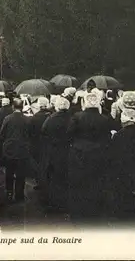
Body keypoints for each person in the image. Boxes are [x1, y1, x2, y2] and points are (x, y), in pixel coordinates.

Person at [66, 92, 112, 222]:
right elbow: (107, 137)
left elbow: (69, 133)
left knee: (79, 182)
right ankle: (94, 210)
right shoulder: (104, 118)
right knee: (95, 181)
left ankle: (79, 210)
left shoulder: (77, 116)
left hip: (79, 153)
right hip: (98, 153)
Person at [40, 96, 73, 212]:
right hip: (67, 151)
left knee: (53, 178)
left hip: (53, 151)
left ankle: (53, 203)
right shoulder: (72, 118)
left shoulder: (50, 119)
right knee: (65, 177)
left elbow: (44, 131)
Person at [0, 98, 34, 203]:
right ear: (22, 107)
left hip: (9, 149)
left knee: (9, 172)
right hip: (23, 149)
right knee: (21, 173)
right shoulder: (27, 119)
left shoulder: (7, 118)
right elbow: (30, 135)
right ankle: (19, 194)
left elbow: (2, 133)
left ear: (13, 107)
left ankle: (9, 192)